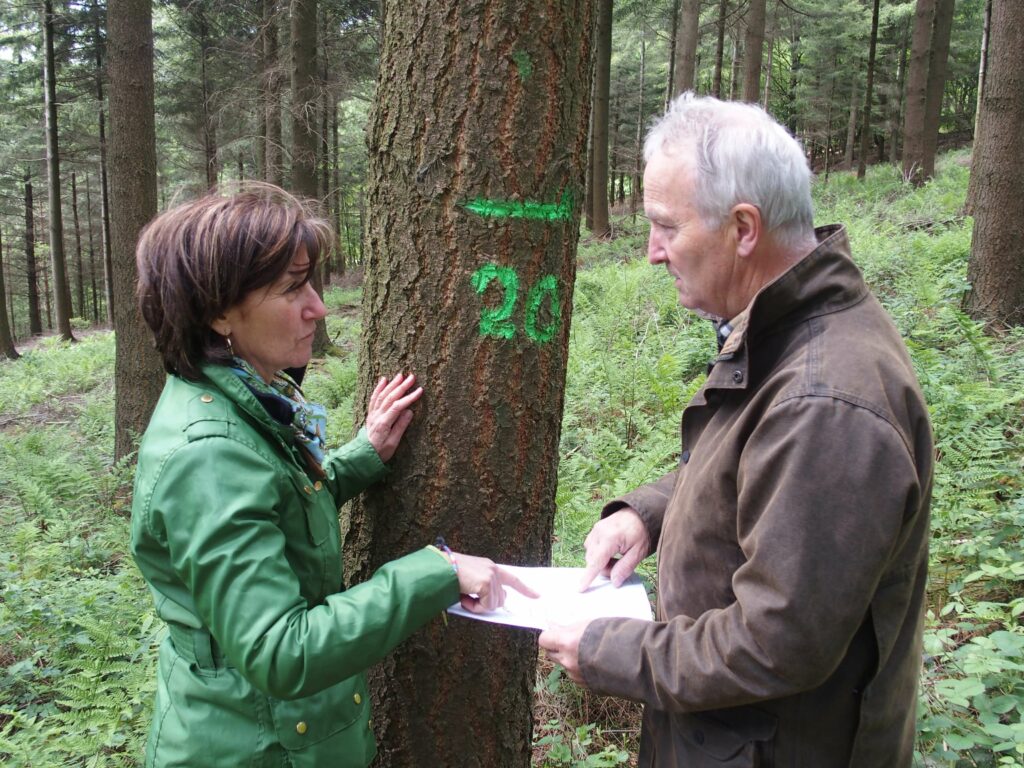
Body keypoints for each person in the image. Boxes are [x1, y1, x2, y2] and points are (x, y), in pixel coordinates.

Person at [539, 94, 933, 767]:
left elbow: (776, 643)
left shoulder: (825, 400)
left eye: (666, 227)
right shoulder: (785, 328)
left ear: (743, 229)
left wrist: (607, 649)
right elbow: (754, 463)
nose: (652, 253)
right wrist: (649, 513)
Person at [130, 183, 535, 767]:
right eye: (292, 287)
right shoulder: (208, 456)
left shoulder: (238, 396)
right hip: (256, 747)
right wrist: (436, 572)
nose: (318, 307)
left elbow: (275, 504)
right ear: (219, 310)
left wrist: (361, 456)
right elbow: (280, 650)